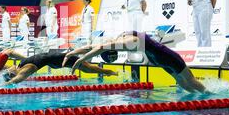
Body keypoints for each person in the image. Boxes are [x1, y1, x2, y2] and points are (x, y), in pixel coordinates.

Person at [64, 31, 207, 93]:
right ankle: (201, 96)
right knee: (185, 83)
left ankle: (208, 94)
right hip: (160, 59)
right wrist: (72, 53)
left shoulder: (131, 41)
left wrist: (81, 59)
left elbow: (101, 47)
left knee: (189, 81)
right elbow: (93, 47)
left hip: (165, 57)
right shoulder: (123, 38)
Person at [4, 51, 117, 85]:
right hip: (53, 59)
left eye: (10, 71)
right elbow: (10, 68)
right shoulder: (19, 64)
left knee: (88, 69)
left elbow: (16, 80)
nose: (10, 70)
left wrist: (3, 85)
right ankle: (108, 72)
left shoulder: (26, 68)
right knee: (88, 68)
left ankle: (109, 71)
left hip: (61, 58)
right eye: (10, 71)